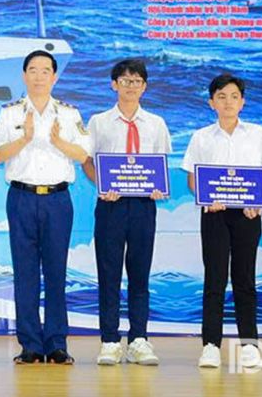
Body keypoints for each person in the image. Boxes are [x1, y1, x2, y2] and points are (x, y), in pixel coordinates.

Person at [0, 50, 91, 365]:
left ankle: (57, 343)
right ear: (24, 75)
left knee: (56, 271)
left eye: (45, 70)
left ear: (54, 76)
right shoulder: (10, 113)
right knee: (25, 273)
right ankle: (31, 345)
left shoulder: (69, 113)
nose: (38, 76)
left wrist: (59, 142)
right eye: (32, 70)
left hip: (58, 200)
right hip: (21, 197)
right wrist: (25, 138)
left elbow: (83, 155)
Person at [181, 73, 262, 369]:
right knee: (215, 279)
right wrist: (206, 198)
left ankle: (249, 344)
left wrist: (258, 201)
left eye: (234, 96)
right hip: (214, 214)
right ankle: (211, 345)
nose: (228, 102)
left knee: (245, 279)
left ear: (242, 102)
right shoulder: (201, 137)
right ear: (212, 102)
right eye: (221, 97)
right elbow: (192, 177)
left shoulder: (257, 134)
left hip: (248, 215)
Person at [81, 59, 171, 366]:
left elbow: (160, 164)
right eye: (124, 80)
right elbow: (87, 161)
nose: (130, 86)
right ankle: (109, 340)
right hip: (111, 204)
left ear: (144, 87)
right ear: (114, 84)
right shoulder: (99, 122)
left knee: (140, 274)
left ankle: (138, 340)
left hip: (144, 206)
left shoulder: (156, 123)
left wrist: (158, 187)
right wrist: (101, 184)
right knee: (108, 274)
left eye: (136, 81)